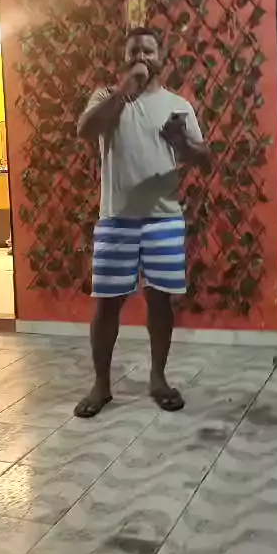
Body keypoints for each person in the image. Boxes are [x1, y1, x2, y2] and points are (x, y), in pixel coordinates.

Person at [74, 26, 211, 418]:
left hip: (163, 220)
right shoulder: (106, 98)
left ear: (160, 57)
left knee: (160, 302)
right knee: (106, 305)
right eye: (134, 51)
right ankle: (101, 385)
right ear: (124, 58)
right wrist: (126, 90)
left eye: (148, 51)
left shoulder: (177, 105)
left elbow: (205, 160)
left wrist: (182, 144)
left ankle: (158, 378)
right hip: (116, 220)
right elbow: (85, 131)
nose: (141, 57)